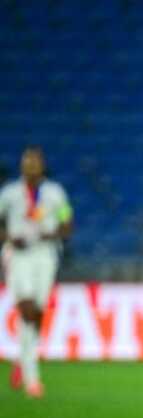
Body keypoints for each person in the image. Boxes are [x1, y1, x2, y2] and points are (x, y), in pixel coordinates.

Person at [1, 146, 73, 399]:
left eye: (34, 161)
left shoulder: (54, 193)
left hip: (45, 254)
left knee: (37, 313)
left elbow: (66, 222)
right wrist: (8, 237)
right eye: (26, 161)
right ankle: (32, 378)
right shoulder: (9, 194)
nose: (30, 165)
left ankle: (21, 359)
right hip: (18, 255)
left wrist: (51, 233)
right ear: (21, 165)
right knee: (28, 309)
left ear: (42, 165)